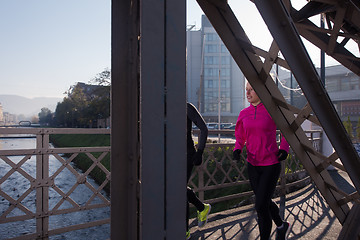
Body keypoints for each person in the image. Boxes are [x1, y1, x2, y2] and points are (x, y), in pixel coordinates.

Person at [233, 82, 291, 240]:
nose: (248, 93)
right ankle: (281, 225)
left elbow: (286, 130)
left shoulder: (273, 111)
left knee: (260, 205)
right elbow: (240, 136)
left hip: (271, 164)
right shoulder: (244, 113)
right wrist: (237, 149)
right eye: (246, 90)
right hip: (252, 164)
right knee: (263, 201)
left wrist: (284, 148)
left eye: (252, 89)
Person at [186, 102, 211, 239]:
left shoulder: (186, 107)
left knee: (178, 191)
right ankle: (202, 207)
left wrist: (199, 152)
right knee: (178, 188)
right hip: (169, 155)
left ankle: (184, 231)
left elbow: (203, 129)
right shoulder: (161, 106)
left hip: (187, 155)